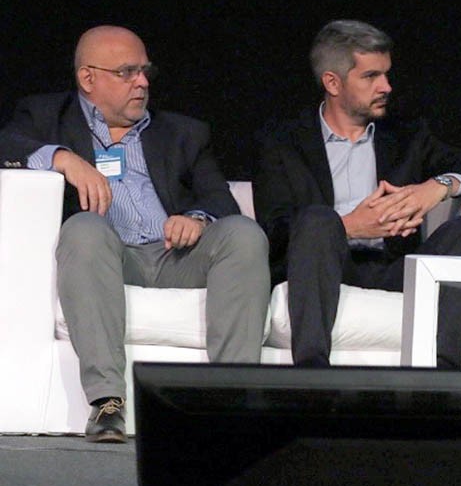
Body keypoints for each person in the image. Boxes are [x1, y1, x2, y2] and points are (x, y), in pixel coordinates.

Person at [0, 26, 271, 442]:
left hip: (175, 256)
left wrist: (197, 218)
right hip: (105, 258)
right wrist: (63, 158)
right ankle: (107, 402)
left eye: (145, 71)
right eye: (127, 72)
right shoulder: (45, 115)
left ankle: (233, 398)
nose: (142, 82)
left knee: (244, 235)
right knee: (85, 228)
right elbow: (6, 145)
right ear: (88, 78)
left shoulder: (183, 133)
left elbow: (220, 198)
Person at [253, 20, 461, 369]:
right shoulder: (283, 143)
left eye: (386, 74)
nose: (386, 86)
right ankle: (313, 373)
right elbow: (274, 229)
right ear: (332, 82)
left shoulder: (406, 135)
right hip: (323, 266)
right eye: (371, 76)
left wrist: (437, 187)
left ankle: (442, 375)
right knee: (317, 219)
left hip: (394, 266)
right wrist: (349, 226)